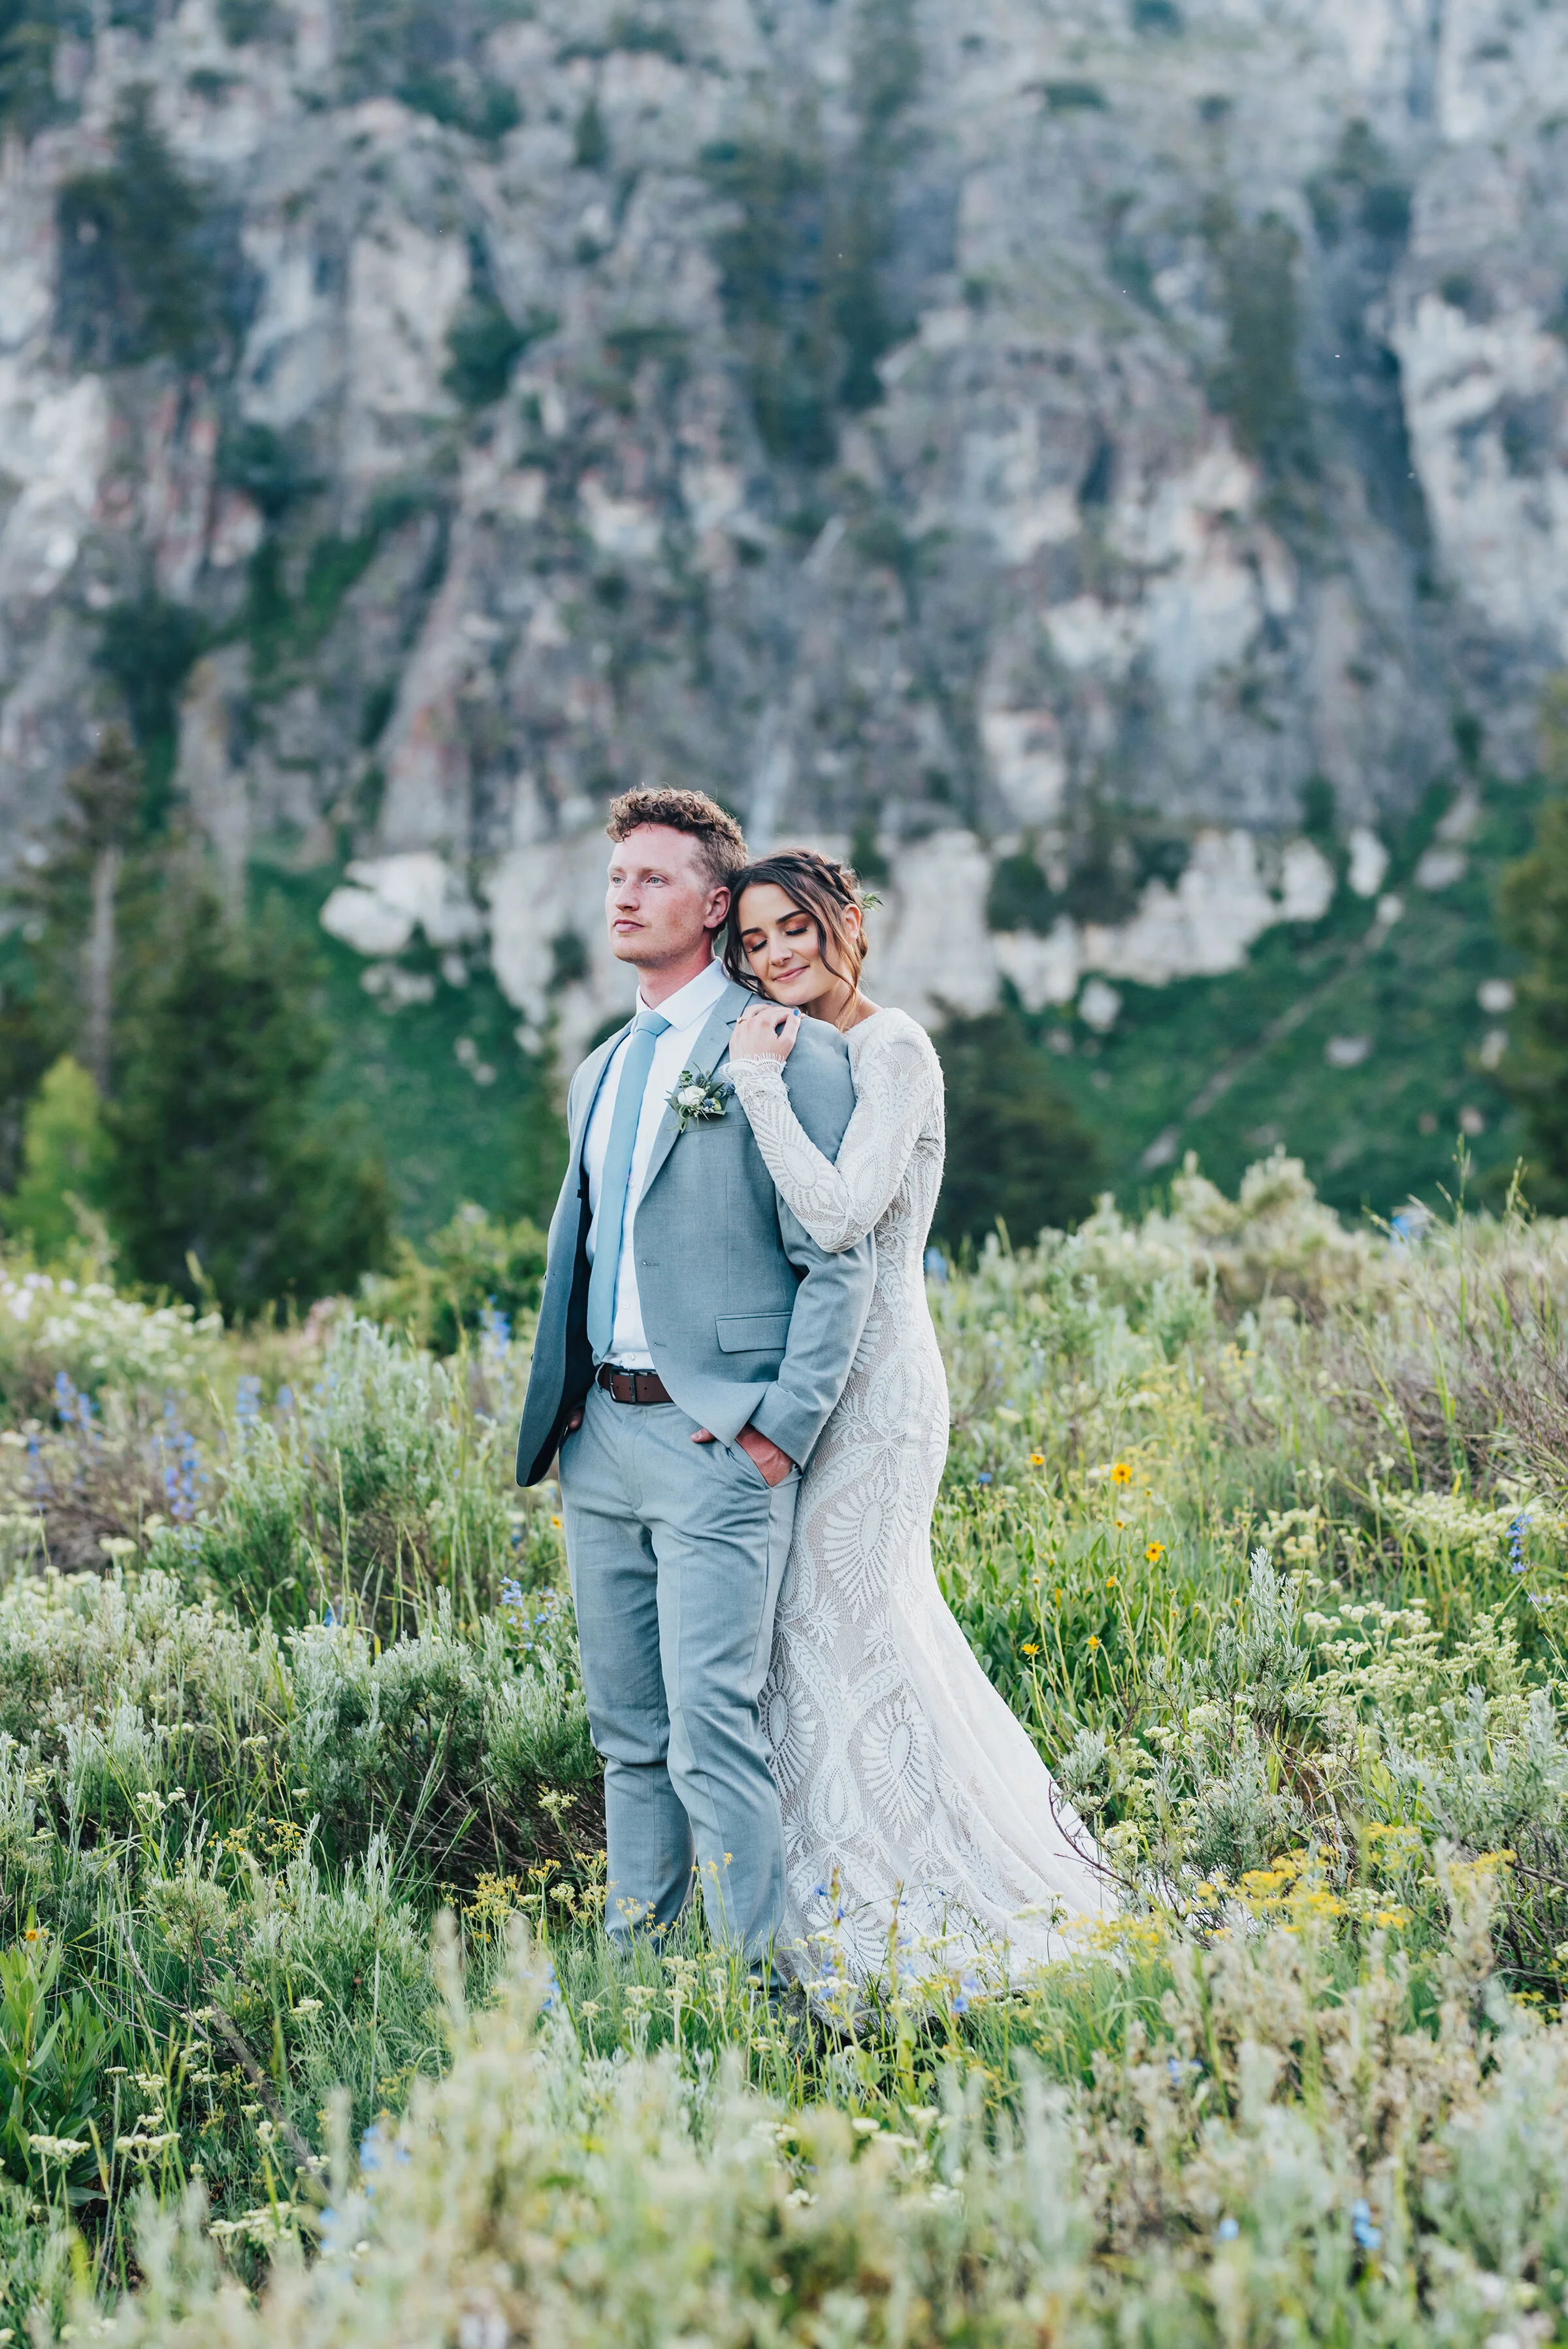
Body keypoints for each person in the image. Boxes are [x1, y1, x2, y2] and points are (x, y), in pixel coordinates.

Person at [723, 848, 1106, 1984]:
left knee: (860, 1631)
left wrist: (750, 1085)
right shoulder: (815, 1049)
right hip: (812, 1382)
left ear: (846, 922)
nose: (779, 952)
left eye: (796, 927)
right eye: (755, 940)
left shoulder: (892, 1045)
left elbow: (843, 1214)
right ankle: (827, 1891)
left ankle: (932, 1894)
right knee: (816, 1636)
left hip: (882, 1391)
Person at [515, 791, 875, 1976]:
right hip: (600, 1442)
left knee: (715, 1731)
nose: (623, 895)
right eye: (616, 876)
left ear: (714, 904)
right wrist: (568, 1414)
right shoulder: (601, 1070)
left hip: (719, 1442)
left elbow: (837, 1255)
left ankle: (763, 2003)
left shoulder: (791, 1054)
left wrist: (779, 1429)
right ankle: (640, 1984)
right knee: (628, 1735)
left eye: (654, 878)